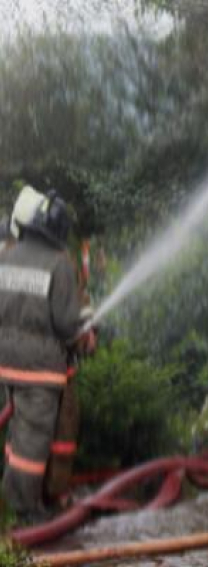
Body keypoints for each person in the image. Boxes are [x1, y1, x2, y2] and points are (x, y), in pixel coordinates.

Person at [0, 187, 95, 523]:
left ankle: (14, 499)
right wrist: (86, 333)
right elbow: (67, 323)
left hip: (5, 362)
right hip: (39, 368)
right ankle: (24, 510)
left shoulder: (7, 256)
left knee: (17, 433)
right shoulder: (59, 265)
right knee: (33, 441)